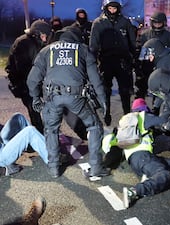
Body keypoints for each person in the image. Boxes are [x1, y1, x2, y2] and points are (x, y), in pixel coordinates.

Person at [26, 26, 110, 179]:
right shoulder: (83, 49)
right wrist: (104, 102)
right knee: (94, 126)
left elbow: (32, 80)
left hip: (52, 97)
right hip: (76, 97)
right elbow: (96, 80)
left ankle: (54, 168)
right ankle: (96, 167)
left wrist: (35, 98)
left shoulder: (46, 51)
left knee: (51, 129)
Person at [102, 98, 170, 208]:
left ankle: (148, 176)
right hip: (143, 156)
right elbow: (164, 122)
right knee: (164, 174)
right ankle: (135, 191)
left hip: (134, 160)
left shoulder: (125, 121)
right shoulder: (143, 116)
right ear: (144, 109)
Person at [89, 0, 136, 126]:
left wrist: (133, 59)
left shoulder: (125, 22)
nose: (113, 11)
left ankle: (127, 114)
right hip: (106, 60)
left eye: (115, 8)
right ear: (105, 8)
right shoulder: (99, 23)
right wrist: (92, 63)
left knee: (125, 90)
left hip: (122, 60)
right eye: (110, 8)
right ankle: (106, 111)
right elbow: (93, 45)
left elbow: (132, 42)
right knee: (106, 90)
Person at [5, 19, 51, 134]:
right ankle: (39, 134)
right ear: (36, 34)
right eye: (44, 36)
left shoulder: (40, 42)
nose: (46, 39)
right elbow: (23, 69)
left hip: (36, 79)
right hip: (22, 81)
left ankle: (48, 128)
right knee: (33, 107)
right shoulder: (22, 43)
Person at [134, 11, 170, 99]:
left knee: (161, 91)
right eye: (155, 23)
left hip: (162, 67)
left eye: (159, 23)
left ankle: (157, 109)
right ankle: (139, 108)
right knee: (140, 90)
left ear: (164, 23)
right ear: (151, 23)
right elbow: (138, 50)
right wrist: (138, 66)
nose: (157, 25)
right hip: (146, 66)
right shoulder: (144, 35)